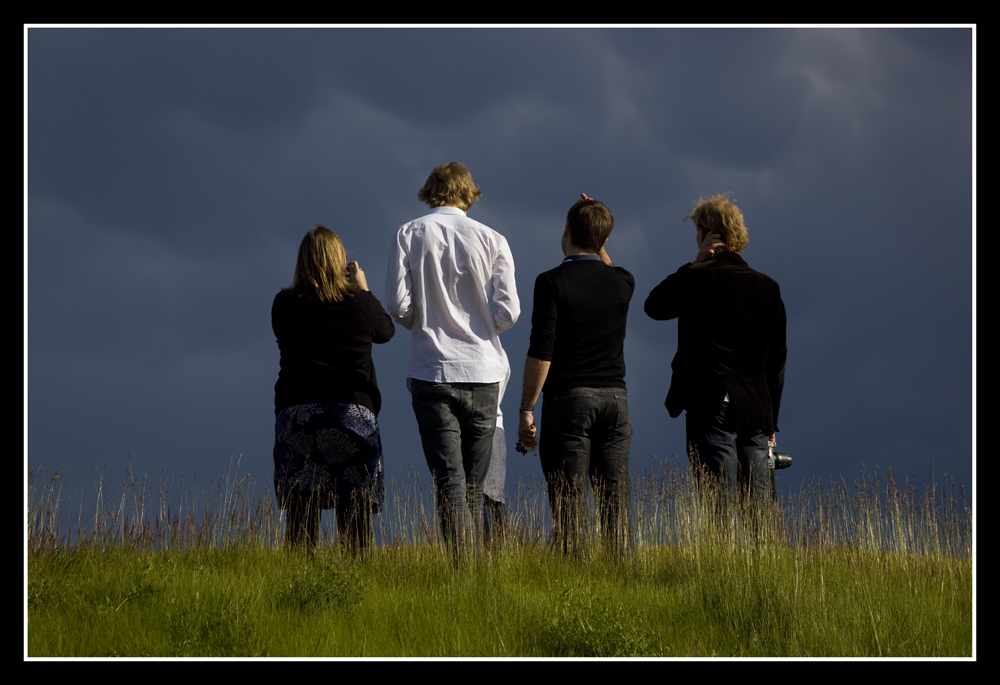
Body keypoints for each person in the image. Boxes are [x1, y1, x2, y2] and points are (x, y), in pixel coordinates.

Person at [385, 162, 519, 558]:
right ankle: (474, 569)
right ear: (468, 193)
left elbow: (397, 305)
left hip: (432, 369)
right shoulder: (494, 239)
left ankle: (462, 568)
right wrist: (482, 324)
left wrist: (422, 319)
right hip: (483, 372)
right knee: (475, 484)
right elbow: (508, 313)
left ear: (431, 190)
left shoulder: (408, 234)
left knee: (449, 480)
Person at [644, 194, 786, 512]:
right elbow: (777, 361)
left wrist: (694, 265)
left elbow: (654, 306)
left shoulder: (698, 279)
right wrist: (771, 422)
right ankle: (764, 563)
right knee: (759, 511)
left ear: (706, 234)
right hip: (756, 409)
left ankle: (721, 561)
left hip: (710, 403)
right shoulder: (768, 288)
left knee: (719, 509)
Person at [517, 194, 634, 557]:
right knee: (615, 502)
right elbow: (609, 267)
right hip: (616, 398)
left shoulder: (550, 282)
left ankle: (579, 577)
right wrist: (600, 237)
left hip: (569, 400)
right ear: (605, 241)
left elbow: (543, 349)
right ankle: (623, 579)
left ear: (566, 229)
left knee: (570, 503)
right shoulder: (623, 282)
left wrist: (526, 407)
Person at [272, 226, 395, 552]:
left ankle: (298, 580)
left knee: (302, 502)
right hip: (350, 412)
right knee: (354, 502)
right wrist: (363, 289)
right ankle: (357, 571)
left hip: (298, 412)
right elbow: (386, 332)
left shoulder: (283, 304)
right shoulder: (359, 302)